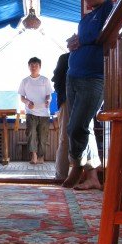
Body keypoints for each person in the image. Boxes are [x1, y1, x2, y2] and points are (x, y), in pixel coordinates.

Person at [62, 0, 113, 190]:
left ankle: (76, 164)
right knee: (85, 127)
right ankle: (93, 177)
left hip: (94, 78)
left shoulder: (109, 9)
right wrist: (75, 42)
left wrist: (80, 40)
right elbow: (86, 36)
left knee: (77, 126)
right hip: (73, 76)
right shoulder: (87, 18)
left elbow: (100, 34)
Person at [18, 57, 52, 164]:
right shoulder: (25, 81)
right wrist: (28, 103)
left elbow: (49, 95)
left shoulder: (45, 80)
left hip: (44, 113)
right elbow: (22, 97)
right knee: (31, 134)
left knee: (43, 137)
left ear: (40, 67)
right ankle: (34, 156)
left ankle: (41, 157)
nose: (34, 67)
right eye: (31, 65)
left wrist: (47, 101)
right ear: (28, 67)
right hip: (30, 112)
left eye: (36, 65)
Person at [52, 51, 70, 180]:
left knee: (65, 136)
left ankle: (62, 174)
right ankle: (62, 174)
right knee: (65, 135)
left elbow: (56, 79)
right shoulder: (65, 58)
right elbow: (57, 80)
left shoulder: (65, 58)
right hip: (68, 98)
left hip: (68, 98)